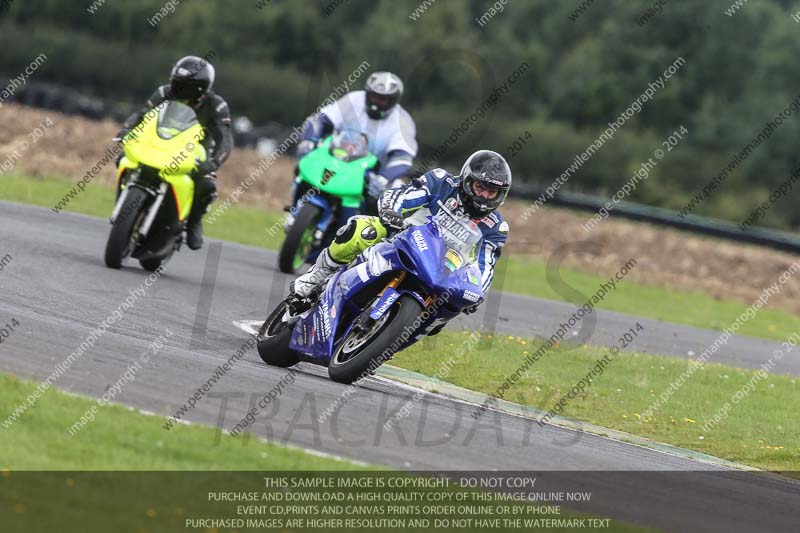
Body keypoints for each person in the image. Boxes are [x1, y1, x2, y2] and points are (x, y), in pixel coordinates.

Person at [290, 150, 511, 315]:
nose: (484, 196)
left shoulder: (495, 227)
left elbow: (484, 265)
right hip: (402, 239)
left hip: (441, 271)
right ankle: (316, 276)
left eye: (492, 192)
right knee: (364, 228)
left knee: (449, 309)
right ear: (467, 180)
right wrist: (391, 212)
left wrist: (476, 293)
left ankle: (384, 343)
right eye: (480, 187)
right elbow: (405, 195)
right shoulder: (441, 182)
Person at [118, 55, 233, 250]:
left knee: (206, 184)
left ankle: (194, 221)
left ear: (200, 89)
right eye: (176, 83)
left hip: (197, 147)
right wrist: (127, 129)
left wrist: (214, 162)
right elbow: (141, 114)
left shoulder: (217, 105)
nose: (178, 89)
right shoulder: (164, 92)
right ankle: (126, 200)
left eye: (184, 86)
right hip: (159, 139)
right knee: (122, 158)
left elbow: (226, 138)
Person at [289, 71, 418, 221]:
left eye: (383, 100)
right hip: (337, 155)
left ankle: (364, 234)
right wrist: (308, 142)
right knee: (304, 164)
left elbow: (402, 156)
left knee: (386, 200)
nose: (377, 102)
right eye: (374, 96)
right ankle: (295, 209)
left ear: (394, 101)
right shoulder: (354, 99)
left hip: (371, 171)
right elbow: (320, 120)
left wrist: (383, 178)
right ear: (367, 93)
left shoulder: (403, 121)